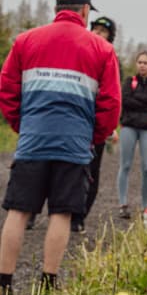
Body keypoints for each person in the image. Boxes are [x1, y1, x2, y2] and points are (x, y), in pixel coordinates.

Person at [0, 0, 121, 295]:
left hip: (33, 140)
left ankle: (3, 285)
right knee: (61, 214)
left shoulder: (26, 41)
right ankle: (48, 286)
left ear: (57, 9)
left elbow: (7, 88)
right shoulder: (101, 49)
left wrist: (22, 126)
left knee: (18, 210)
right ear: (84, 10)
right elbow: (110, 104)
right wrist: (92, 137)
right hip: (74, 144)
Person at [27, 15, 120, 233]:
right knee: (44, 167)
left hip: (93, 126)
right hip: (65, 121)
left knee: (89, 172)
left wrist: (106, 128)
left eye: (103, 31)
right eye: (95, 29)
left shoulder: (110, 58)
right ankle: (30, 212)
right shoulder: (82, 50)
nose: (98, 33)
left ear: (111, 36)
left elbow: (113, 97)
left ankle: (78, 217)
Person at [116, 51, 147, 222]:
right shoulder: (130, 81)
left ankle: (146, 206)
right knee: (125, 165)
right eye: (139, 62)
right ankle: (123, 204)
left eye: (145, 62)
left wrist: (138, 100)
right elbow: (125, 100)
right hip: (129, 127)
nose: (142, 65)